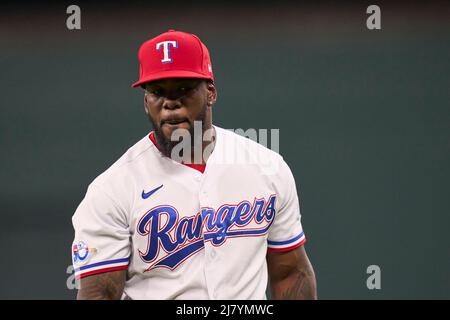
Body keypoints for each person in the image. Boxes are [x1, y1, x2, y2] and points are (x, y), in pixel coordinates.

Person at [71, 29, 317, 300]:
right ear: (145, 101)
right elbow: (98, 295)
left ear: (210, 92)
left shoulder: (266, 167)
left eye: (183, 89)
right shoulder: (112, 189)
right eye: (157, 92)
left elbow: (291, 273)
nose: (170, 103)